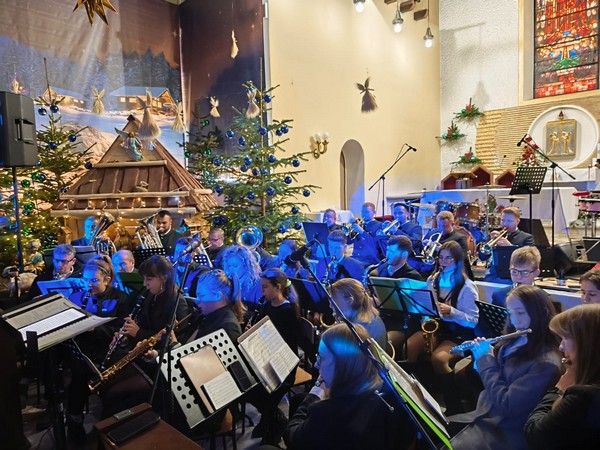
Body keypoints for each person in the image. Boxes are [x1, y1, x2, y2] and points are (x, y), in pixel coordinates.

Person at [449, 285, 562, 450]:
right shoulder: (515, 339)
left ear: (541, 312)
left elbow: (506, 405)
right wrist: (479, 357)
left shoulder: (546, 364)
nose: (515, 321)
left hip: (505, 430)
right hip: (485, 412)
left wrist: (485, 359)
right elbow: (495, 379)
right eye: (510, 313)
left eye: (520, 313)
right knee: (429, 429)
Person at [283, 323, 416, 450]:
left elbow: (291, 436)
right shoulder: (390, 396)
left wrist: (316, 391)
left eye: (321, 358)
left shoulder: (323, 413)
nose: (316, 365)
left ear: (340, 367)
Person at [405, 240, 479, 415]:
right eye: (441, 258)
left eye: (448, 259)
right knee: (409, 346)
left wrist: (452, 311)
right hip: (439, 329)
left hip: (459, 334)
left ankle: (454, 406)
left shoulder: (467, 287)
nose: (443, 262)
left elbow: (473, 321)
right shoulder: (434, 279)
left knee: (439, 359)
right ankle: (418, 396)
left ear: (457, 261)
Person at [65, 255, 131, 444]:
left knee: (83, 376)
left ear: (107, 280)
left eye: (94, 280)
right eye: (86, 280)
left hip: (107, 351)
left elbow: (121, 330)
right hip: (83, 351)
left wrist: (94, 328)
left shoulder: (121, 298)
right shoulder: (77, 297)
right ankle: (74, 420)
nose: (89, 285)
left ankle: (106, 427)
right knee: (77, 374)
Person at [524, 304, 600, 449]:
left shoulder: (583, 396)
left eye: (566, 337)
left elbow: (535, 434)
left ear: (587, 343)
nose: (561, 346)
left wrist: (559, 389)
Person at [248, 268, 301, 445]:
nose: (261, 291)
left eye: (265, 287)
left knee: (265, 395)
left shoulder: (288, 311)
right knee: (247, 387)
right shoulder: (267, 304)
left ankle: (273, 425)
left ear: (278, 287)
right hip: (266, 359)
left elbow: (286, 343)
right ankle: (272, 418)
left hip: (284, 365)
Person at [331, 278, 387, 348]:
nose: (330, 306)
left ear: (350, 301)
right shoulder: (372, 316)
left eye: (333, 301)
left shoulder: (356, 330)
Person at [220, 245, 263, 322]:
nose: (230, 270)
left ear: (246, 266)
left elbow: (259, 315)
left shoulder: (258, 286)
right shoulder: (227, 283)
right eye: (229, 266)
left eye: (235, 266)